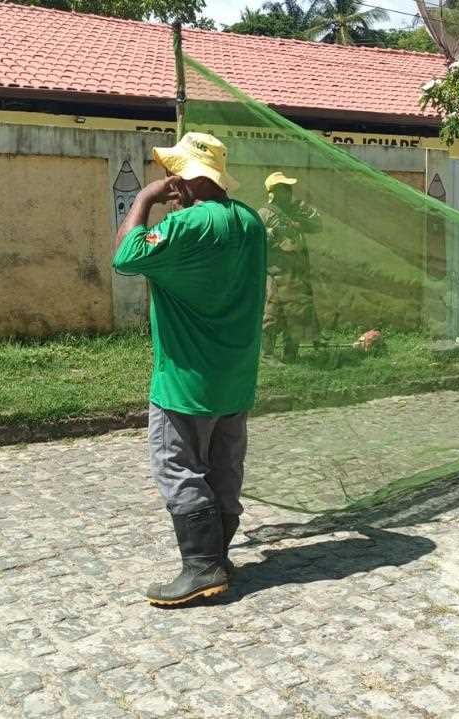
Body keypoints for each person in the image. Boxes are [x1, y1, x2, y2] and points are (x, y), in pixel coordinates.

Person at [112, 133, 267, 606]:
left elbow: (125, 256)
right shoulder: (249, 221)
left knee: (178, 468)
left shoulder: (186, 227)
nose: (167, 180)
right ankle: (218, 557)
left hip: (184, 381)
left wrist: (143, 198)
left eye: (173, 172)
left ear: (188, 177)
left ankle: (200, 569)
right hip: (234, 376)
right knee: (224, 468)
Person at [258, 172, 322, 362]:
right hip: (275, 272)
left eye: (289, 187)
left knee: (296, 313)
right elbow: (255, 239)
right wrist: (271, 233)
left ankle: (291, 354)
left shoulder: (295, 211)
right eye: (284, 188)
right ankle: (267, 355)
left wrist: (304, 212)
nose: (289, 191)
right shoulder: (264, 213)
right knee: (272, 314)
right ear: (274, 192)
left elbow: (318, 226)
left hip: (297, 272)